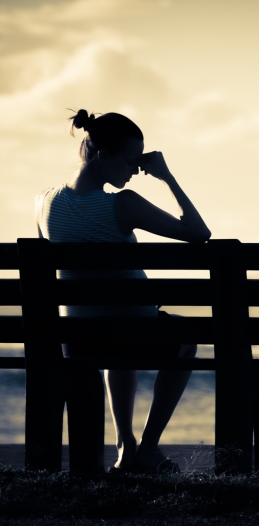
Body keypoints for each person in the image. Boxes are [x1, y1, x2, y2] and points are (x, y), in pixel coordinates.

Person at [35, 109, 211, 473]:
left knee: (118, 343)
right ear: (103, 156)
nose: (136, 171)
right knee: (187, 340)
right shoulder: (123, 203)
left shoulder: (44, 202)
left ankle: (124, 446)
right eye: (131, 161)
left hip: (76, 340)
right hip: (132, 332)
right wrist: (167, 177)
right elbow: (198, 232)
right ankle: (146, 448)